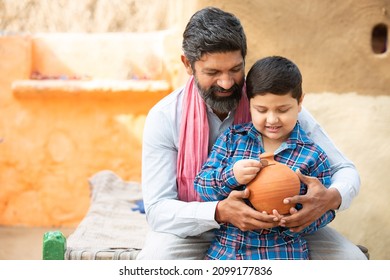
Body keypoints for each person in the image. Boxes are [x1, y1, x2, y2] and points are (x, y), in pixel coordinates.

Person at [137, 6, 366, 260]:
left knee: (352, 261)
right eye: (213, 73)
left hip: (284, 228)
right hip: (196, 226)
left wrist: (329, 199)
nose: (226, 83)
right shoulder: (165, 117)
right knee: (153, 263)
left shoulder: (273, 107)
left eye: (235, 69)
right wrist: (219, 212)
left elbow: (345, 170)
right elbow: (157, 209)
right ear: (187, 65)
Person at [194, 56, 335, 259]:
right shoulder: (233, 139)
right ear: (249, 104)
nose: (272, 120)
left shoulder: (313, 156)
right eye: (261, 110)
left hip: (284, 255)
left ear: (300, 102)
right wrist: (231, 176)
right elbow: (201, 185)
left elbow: (326, 210)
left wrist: (301, 219)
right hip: (229, 253)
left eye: (283, 110)